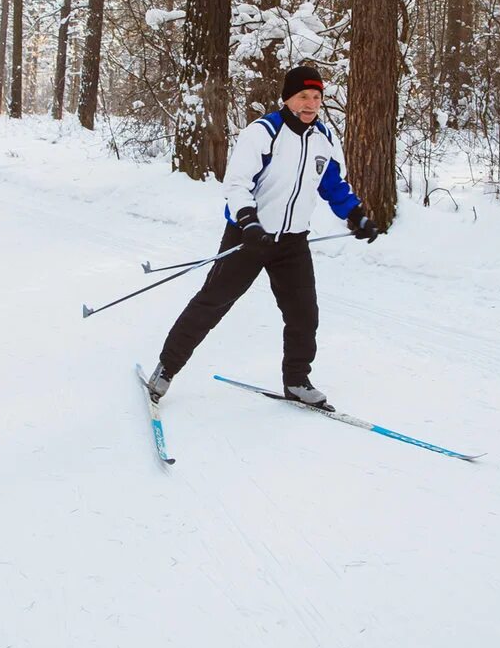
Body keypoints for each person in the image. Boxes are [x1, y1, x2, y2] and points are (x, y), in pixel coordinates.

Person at [146, 64, 379, 408]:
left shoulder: (323, 138)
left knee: (304, 314)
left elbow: (332, 185)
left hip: (292, 242)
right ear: (288, 98)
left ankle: (297, 381)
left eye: (316, 97)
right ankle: (165, 369)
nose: (310, 104)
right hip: (249, 236)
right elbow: (237, 183)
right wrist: (248, 221)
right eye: (303, 96)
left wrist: (355, 214)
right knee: (213, 303)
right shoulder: (264, 132)